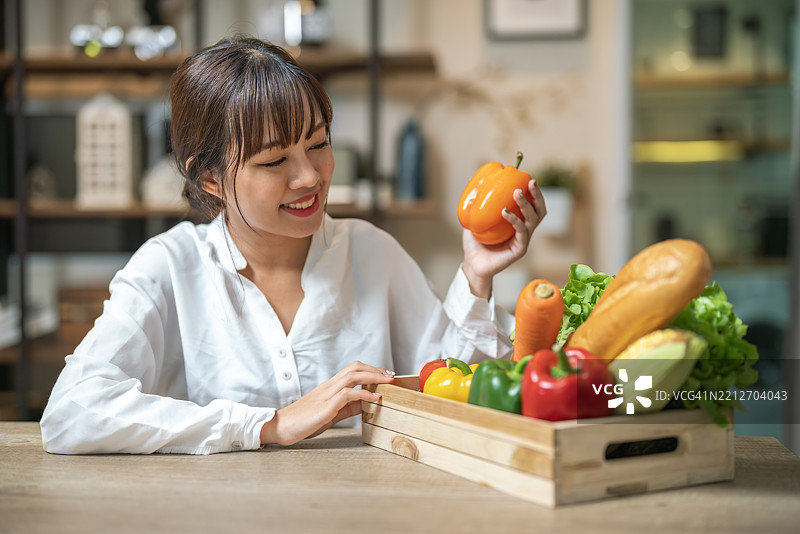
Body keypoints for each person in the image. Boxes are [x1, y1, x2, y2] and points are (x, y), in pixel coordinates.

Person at [40, 36, 546, 454]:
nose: (309, 177)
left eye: (318, 144)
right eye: (273, 161)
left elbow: (461, 392)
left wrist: (477, 275)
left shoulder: (372, 251)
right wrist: (268, 425)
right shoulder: (169, 266)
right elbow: (71, 413)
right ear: (210, 177)